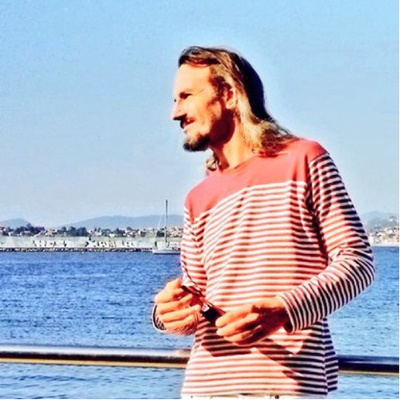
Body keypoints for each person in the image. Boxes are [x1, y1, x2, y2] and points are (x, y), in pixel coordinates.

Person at [153, 46, 375, 399]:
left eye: (186, 96)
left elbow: (357, 264)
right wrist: (168, 313)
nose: (175, 113)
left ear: (229, 94)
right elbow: (199, 302)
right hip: (203, 388)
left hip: (283, 388)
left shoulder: (305, 159)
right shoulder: (198, 198)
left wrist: (283, 310)